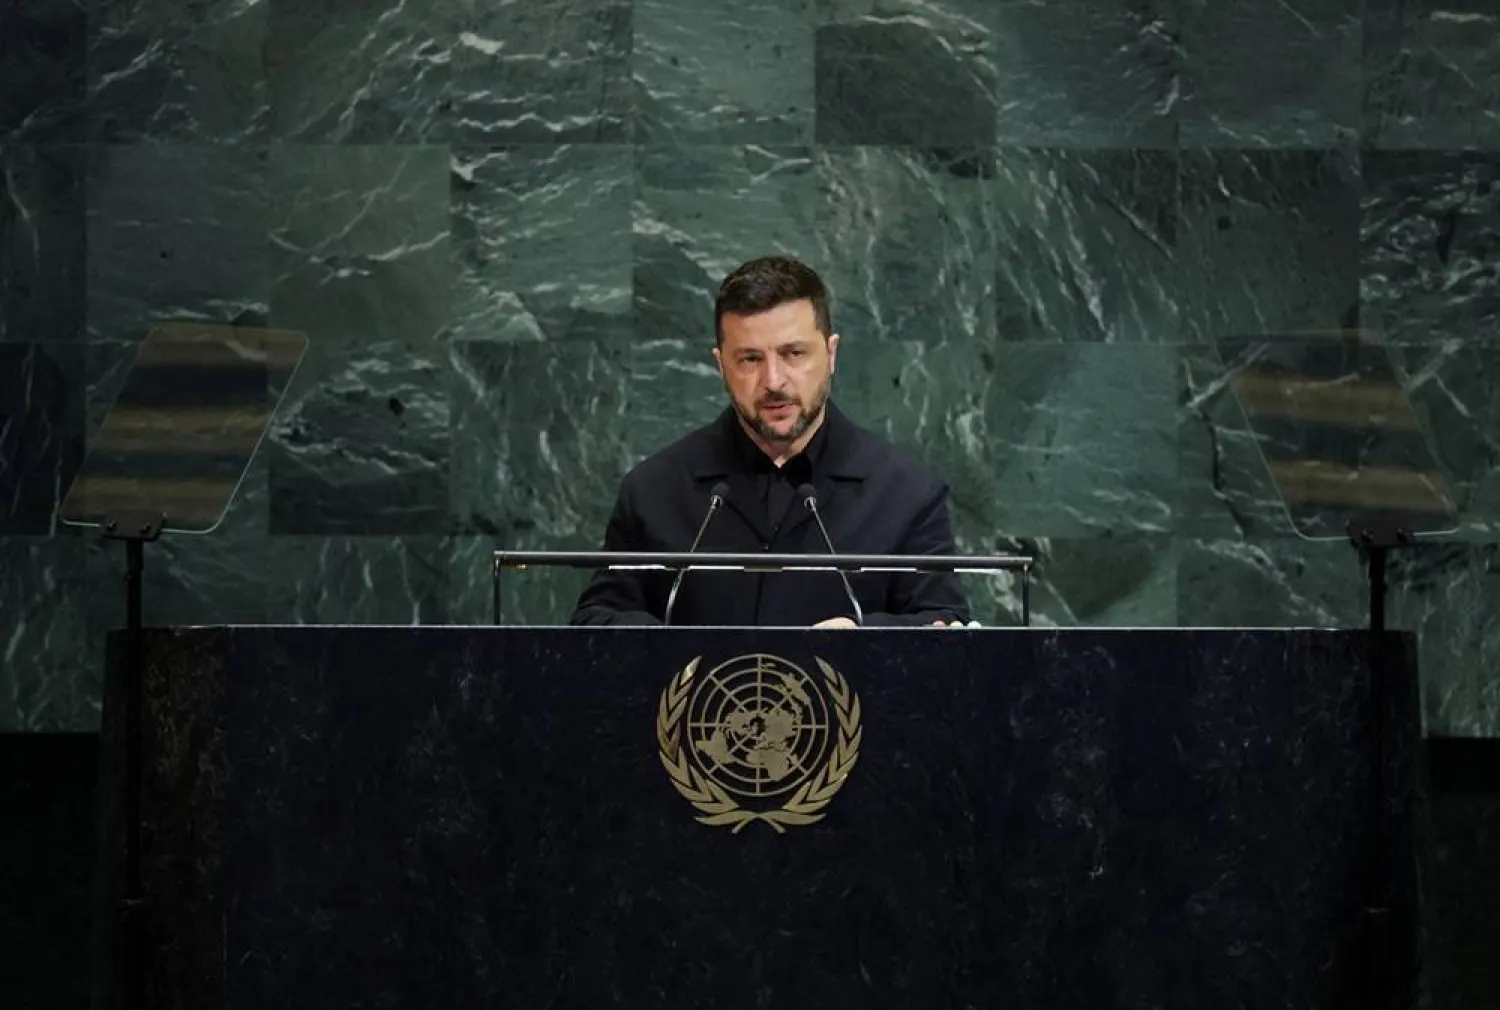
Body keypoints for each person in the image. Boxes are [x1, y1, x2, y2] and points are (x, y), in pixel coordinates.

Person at [569, 255, 970, 628]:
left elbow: (943, 628)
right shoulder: (653, 490)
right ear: (720, 365)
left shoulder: (908, 493)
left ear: (831, 355)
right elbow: (597, 621)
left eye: (794, 353)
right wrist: (671, 649)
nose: (774, 382)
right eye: (750, 359)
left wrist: (863, 637)